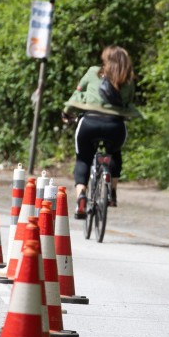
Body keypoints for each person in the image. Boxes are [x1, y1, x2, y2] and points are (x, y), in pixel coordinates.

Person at [62, 45, 141, 218]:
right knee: (115, 153)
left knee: (83, 158)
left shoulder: (93, 72)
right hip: (115, 126)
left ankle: (81, 195)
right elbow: (128, 102)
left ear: (105, 59)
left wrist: (67, 112)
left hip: (89, 123)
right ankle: (111, 192)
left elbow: (77, 93)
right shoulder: (127, 80)